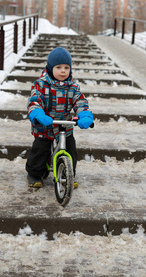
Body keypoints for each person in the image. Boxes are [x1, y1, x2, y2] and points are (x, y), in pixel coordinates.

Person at [25, 47, 93, 188]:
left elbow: (80, 101)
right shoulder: (41, 85)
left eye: (66, 67)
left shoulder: (72, 87)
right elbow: (35, 100)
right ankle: (35, 173)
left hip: (64, 125)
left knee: (70, 149)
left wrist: (84, 114)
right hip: (45, 125)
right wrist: (37, 113)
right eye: (59, 67)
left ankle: (67, 173)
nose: (63, 71)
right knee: (40, 149)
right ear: (50, 68)